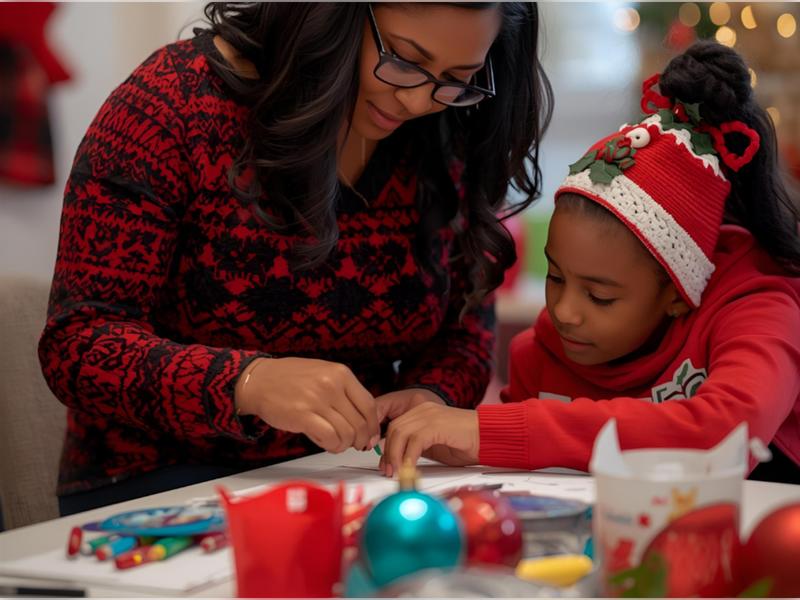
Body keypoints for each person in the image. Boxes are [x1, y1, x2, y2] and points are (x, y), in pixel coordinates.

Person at [39, 2, 553, 515]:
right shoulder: (170, 107)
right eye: (402, 59)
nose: (419, 101)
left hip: (354, 477)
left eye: (456, 79)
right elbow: (78, 344)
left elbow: (465, 329)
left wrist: (431, 394)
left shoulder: (449, 131)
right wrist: (247, 383)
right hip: (161, 485)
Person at [378, 41, 800, 484]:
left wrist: (495, 432)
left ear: (677, 296)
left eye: (600, 296)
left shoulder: (759, 309)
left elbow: (724, 435)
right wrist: (445, 425)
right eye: (556, 277)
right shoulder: (542, 358)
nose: (563, 312)